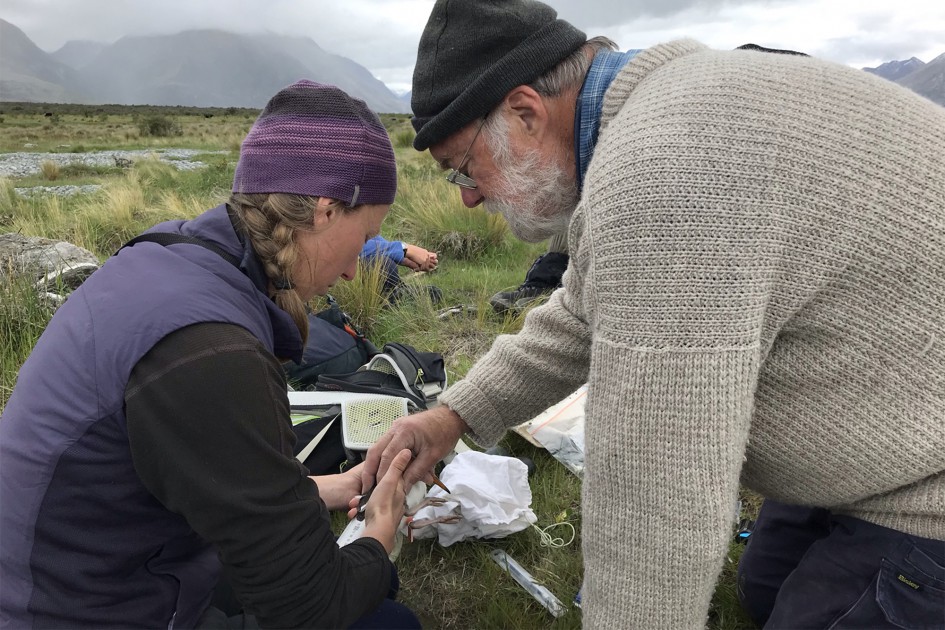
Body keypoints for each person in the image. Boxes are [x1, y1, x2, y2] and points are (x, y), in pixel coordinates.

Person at [363, 1, 945, 628]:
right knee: (764, 589)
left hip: (924, 484)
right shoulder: (654, 118)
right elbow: (584, 316)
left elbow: (658, 495)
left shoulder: (668, 174)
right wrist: (453, 416)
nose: (469, 195)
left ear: (526, 112)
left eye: (462, 168)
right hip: (892, 411)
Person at [0, 80, 421, 629]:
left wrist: (326, 488)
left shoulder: (168, 258)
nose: (351, 270)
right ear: (324, 211)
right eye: (366, 235)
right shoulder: (209, 349)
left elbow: (193, 468)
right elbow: (310, 607)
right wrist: (379, 532)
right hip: (76, 612)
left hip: (74, 572)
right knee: (386, 617)